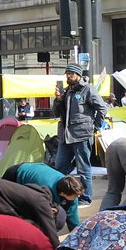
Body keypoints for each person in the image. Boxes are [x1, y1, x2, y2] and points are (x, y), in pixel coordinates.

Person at [53, 64, 107, 205]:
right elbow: (56, 113)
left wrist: (95, 126)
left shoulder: (87, 89)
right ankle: (61, 195)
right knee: (59, 167)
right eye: (67, 74)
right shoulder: (66, 92)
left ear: (78, 75)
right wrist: (58, 99)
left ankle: (85, 198)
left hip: (82, 135)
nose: (68, 76)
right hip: (65, 136)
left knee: (83, 168)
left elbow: (102, 108)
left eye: (71, 74)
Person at [1, 162, 84, 230]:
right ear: (62, 193)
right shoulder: (44, 190)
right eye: (76, 195)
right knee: (7, 207)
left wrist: (77, 236)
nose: (79, 196)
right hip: (16, 173)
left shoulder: (72, 189)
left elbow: (73, 219)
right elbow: (41, 214)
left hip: (38, 169)